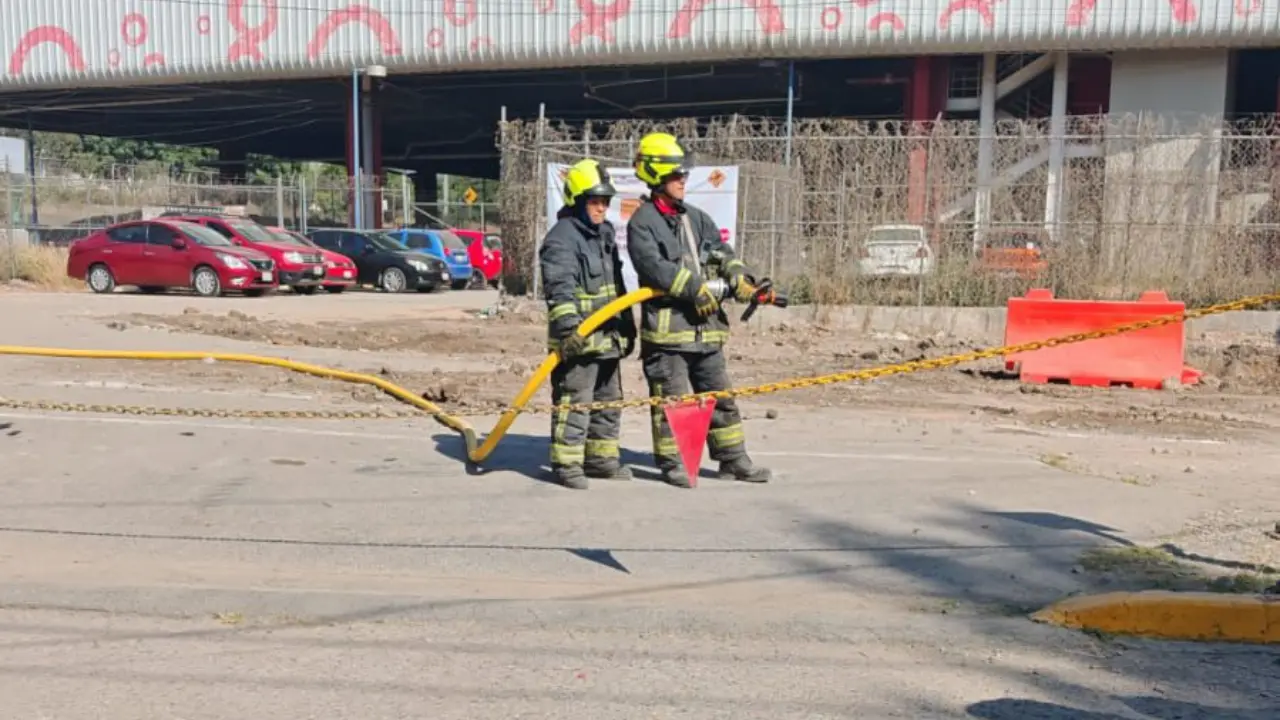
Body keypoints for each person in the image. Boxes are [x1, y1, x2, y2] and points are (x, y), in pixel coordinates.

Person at [625, 131, 771, 488]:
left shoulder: (697, 218)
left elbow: (722, 253)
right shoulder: (643, 222)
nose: (683, 181)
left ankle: (733, 460)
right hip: (669, 333)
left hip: (707, 331)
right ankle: (676, 463)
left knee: (722, 397)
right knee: (675, 402)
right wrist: (694, 290)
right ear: (657, 176)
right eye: (676, 175)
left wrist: (739, 279)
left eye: (684, 174)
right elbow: (654, 268)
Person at [538, 158, 637, 490]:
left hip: (607, 338)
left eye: (605, 201)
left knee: (609, 401)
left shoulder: (604, 233)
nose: (601, 208)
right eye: (595, 201)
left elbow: (618, 285)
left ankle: (601, 461)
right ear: (577, 201)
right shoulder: (561, 239)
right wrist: (569, 330)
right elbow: (559, 288)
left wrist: (626, 326)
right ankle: (567, 465)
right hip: (578, 341)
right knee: (575, 401)